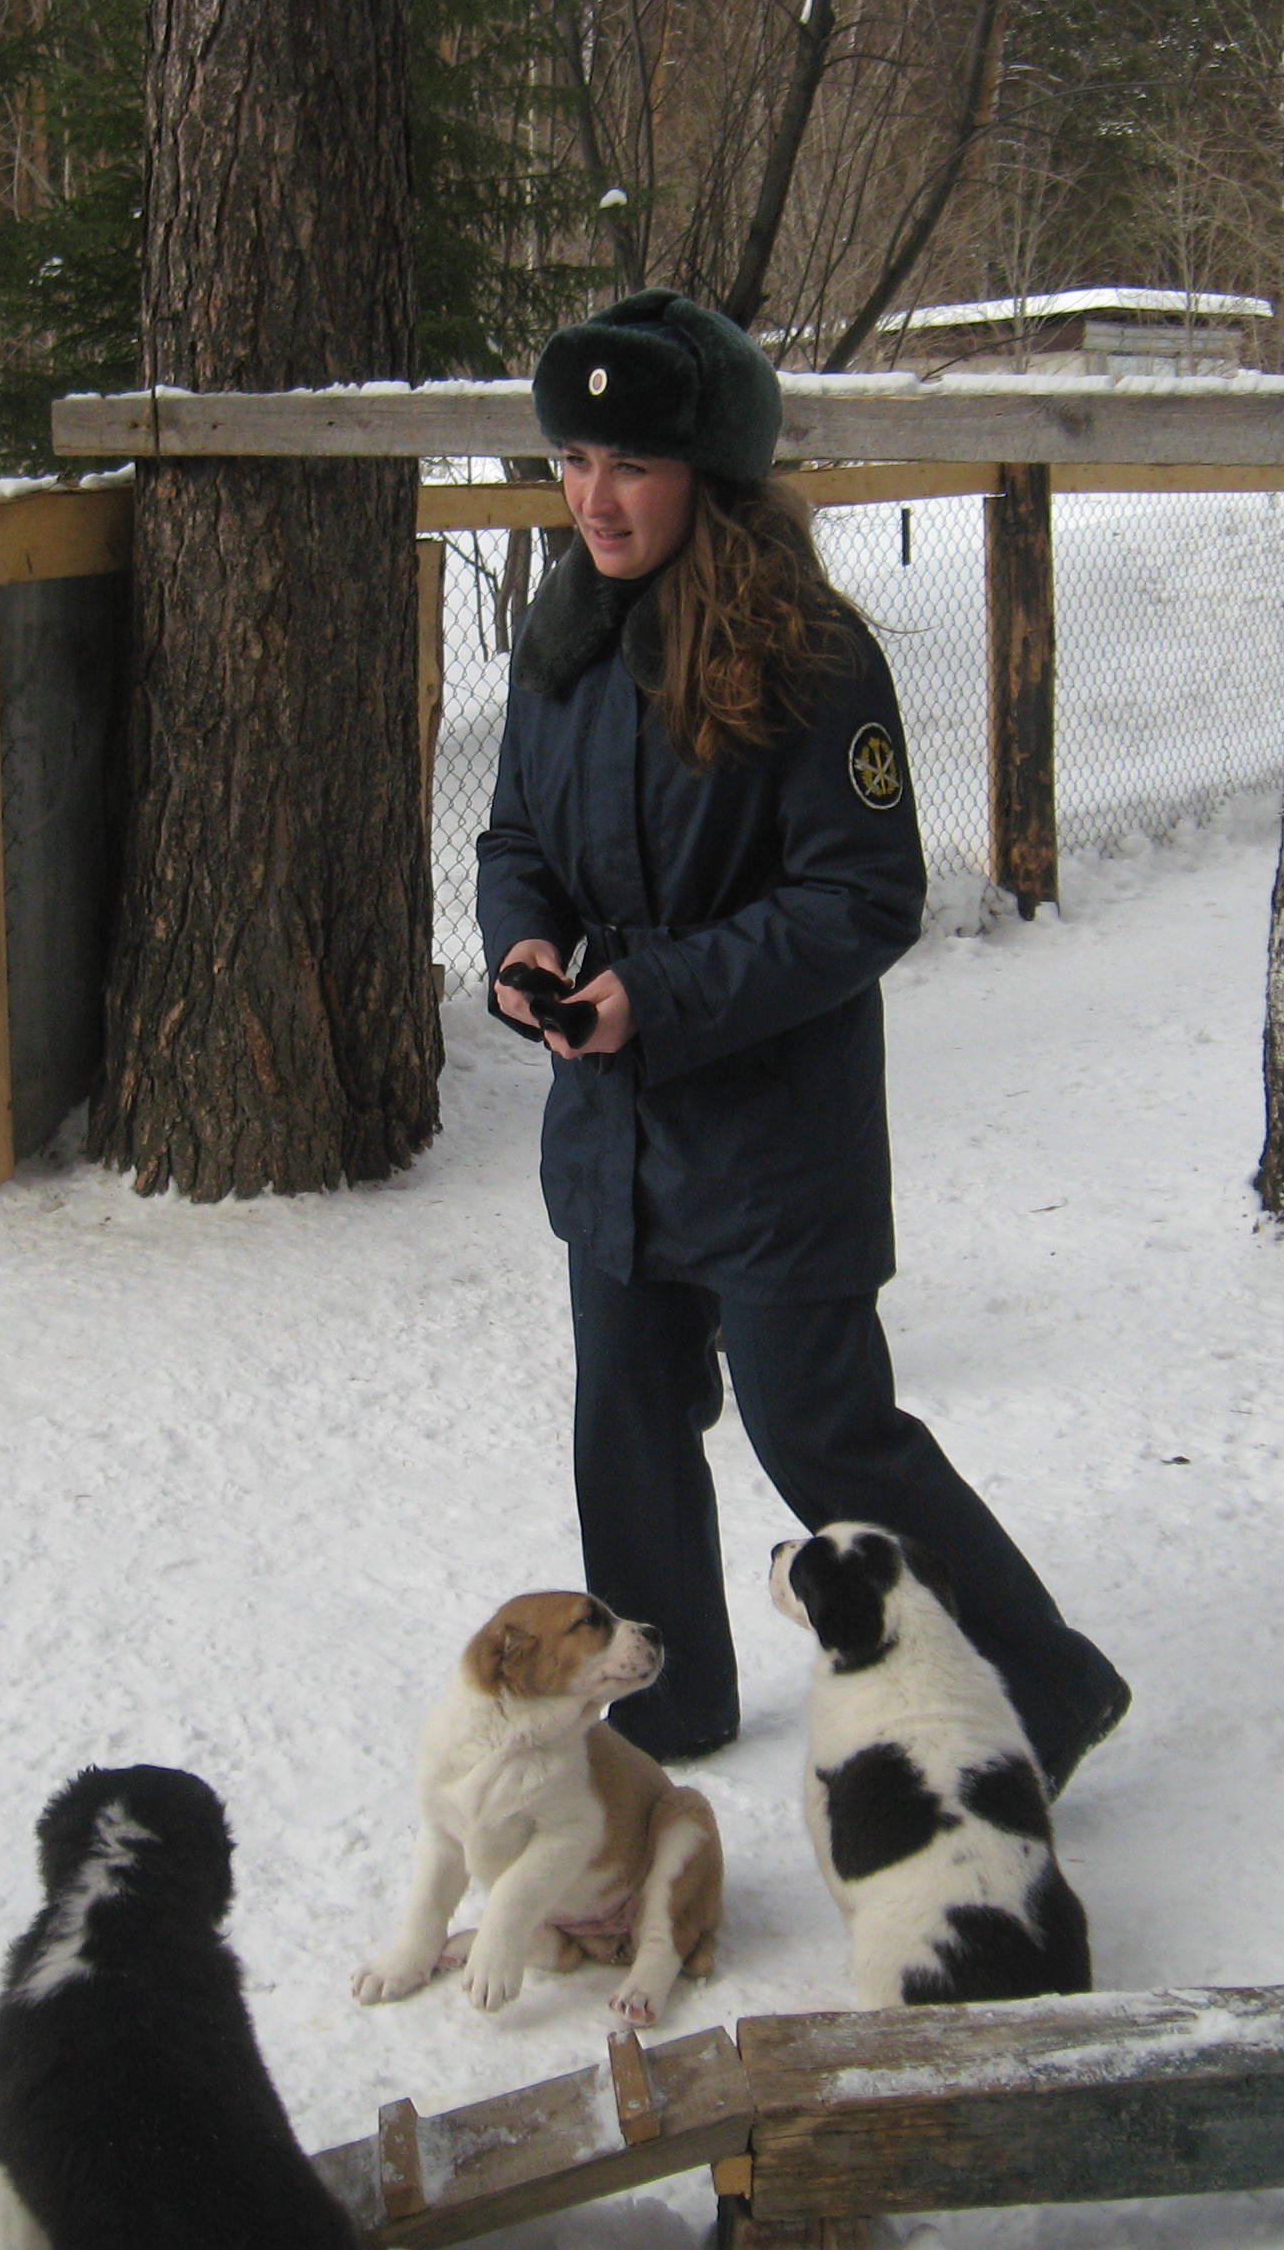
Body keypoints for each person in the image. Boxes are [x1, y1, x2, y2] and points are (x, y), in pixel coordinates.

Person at [475, 288, 1131, 1794]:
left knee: (823, 1436)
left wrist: (661, 992)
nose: (594, 499)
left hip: (774, 1133)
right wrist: (524, 944)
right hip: (612, 1130)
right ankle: (666, 1710)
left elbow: (863, 899)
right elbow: (518, 839)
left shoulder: (810, 655)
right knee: (627, 1427)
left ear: (709, 472)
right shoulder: (561, 641)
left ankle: (1043, 1690)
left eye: (632, 465)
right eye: (573, 460)